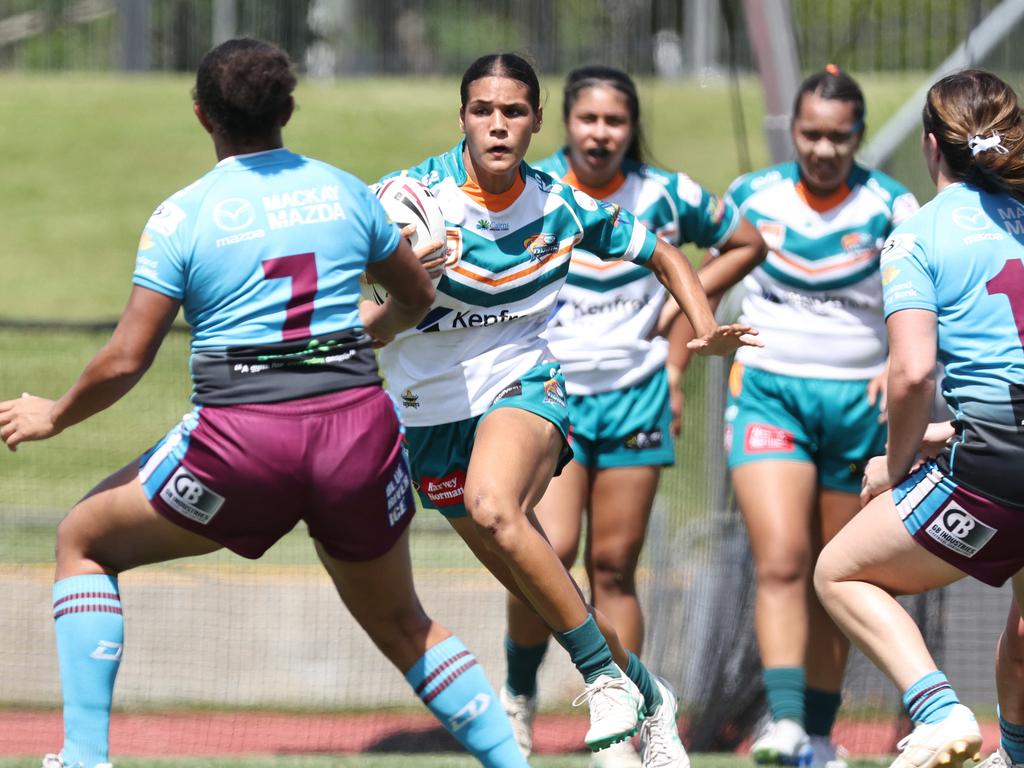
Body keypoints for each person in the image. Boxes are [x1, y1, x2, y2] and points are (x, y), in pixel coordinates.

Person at [0, 38, 528, 768]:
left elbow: (127, 359)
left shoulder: (183, 216)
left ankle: (85, 758)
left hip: (244, 444)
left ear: (200, 115)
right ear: (287, 108)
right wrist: (362, 333)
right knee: (407, 627)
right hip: (357, 438)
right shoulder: (345, 191)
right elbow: (415, 295)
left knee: (82, 543)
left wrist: (54, 413)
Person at [377, 52, 760, 766]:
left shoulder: (558, 204)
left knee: (501, 508)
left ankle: (604, 683)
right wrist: (397, 302)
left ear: (535, 121)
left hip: (526, 384)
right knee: (547, 589)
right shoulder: (406, 200)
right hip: (428, 416)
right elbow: (364, 325)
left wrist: (699, 324)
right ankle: (647, 693)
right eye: (484, 110)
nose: (498, 125)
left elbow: (664, 254)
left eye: (514, 112)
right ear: (461, 116)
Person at [498, 64, 767, 768]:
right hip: (546, 395)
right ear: (566, 122)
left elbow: (746, 244)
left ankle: (631, 722)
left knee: (615, 567)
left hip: (635, 395)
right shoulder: (536, 188)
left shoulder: (666, 195)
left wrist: (678, 317)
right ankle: (519, 699)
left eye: (614, 121)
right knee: (546, 552)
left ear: (631, 127)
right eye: (588, 119)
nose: (600, 133)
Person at [814, 68, 1024, 768]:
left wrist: (895, 467)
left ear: (932, 146)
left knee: (839, 573)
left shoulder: (917, 236)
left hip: (1000, 460)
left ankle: (939, 714)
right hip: (1005, 435)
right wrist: (954, 429)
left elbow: (909, 373)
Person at [722, 65, 920, 768]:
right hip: (770, 395)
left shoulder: (893, 206)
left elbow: (919, 313)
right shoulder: (750, 197)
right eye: (811, 134)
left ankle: (819, 737)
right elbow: (710, 280)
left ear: (858, 136)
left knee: (837, 572)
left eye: (839, 137)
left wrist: (892, 371)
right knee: (780, 558)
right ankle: (780, 721)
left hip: (858, 410)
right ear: (793, 131)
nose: (824, 149)